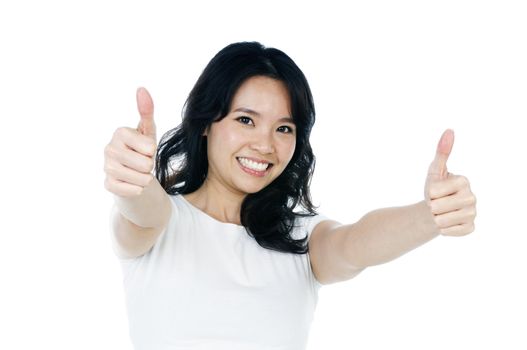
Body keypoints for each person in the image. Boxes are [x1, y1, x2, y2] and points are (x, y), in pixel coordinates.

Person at [103, 41, 477, 350]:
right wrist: (134, 180)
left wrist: (430, 215)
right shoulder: (161, 222)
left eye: (284, 128)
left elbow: (356, 243)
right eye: (245, 120)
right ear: (205, 124)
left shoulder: (300, 239)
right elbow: (141, 211)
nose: (265, 145)